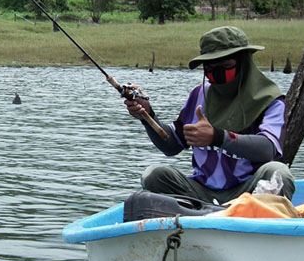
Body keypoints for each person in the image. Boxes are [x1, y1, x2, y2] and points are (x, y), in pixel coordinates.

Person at [125, 26, 295, 204]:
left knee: (278, 173)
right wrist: (147, 116)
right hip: (202, 192)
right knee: (154, 175)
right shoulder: (199, 95)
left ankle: (255, 221)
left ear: (244, 64)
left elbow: (267, 150)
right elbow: (171, 145)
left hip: (249, 192)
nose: (217, 76)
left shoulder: (270, 100)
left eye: (225, 68)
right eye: (210, 70)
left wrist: (217, 137)